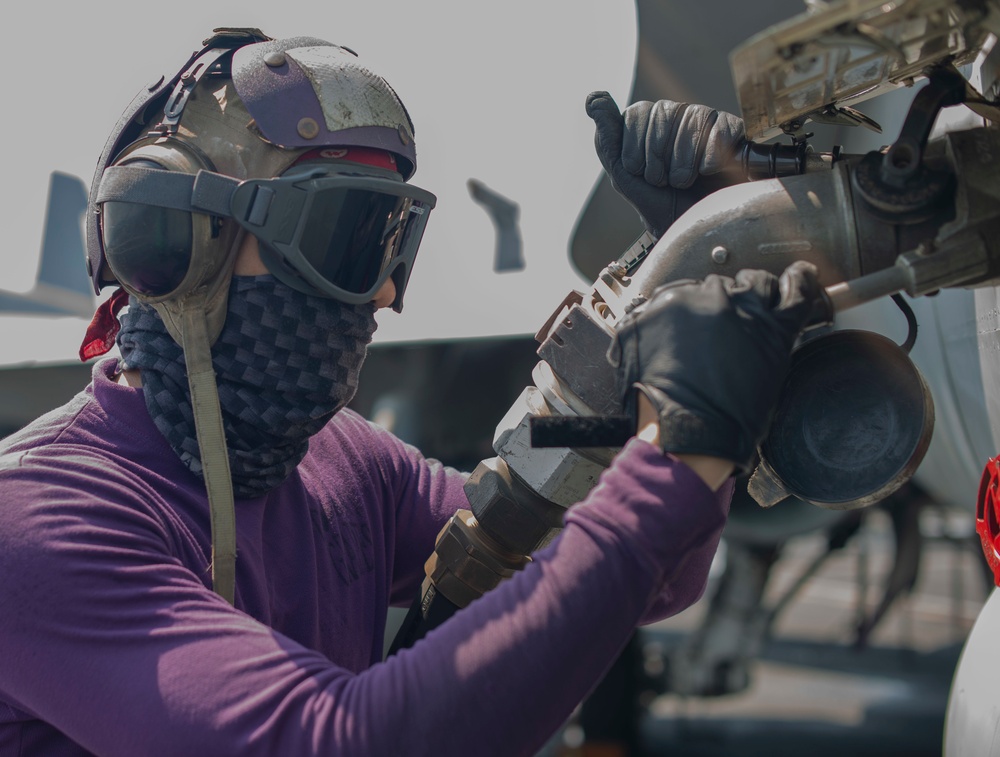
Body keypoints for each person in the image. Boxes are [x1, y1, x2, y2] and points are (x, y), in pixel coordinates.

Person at [0, 28, 821, 757]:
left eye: (390, 243)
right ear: (171, 245)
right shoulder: (37, 524)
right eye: (346, 237)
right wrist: (679, 455)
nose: (383, 297)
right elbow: (334, 737)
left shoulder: (341, 460)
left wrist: (659, 281)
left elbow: (611, 554)